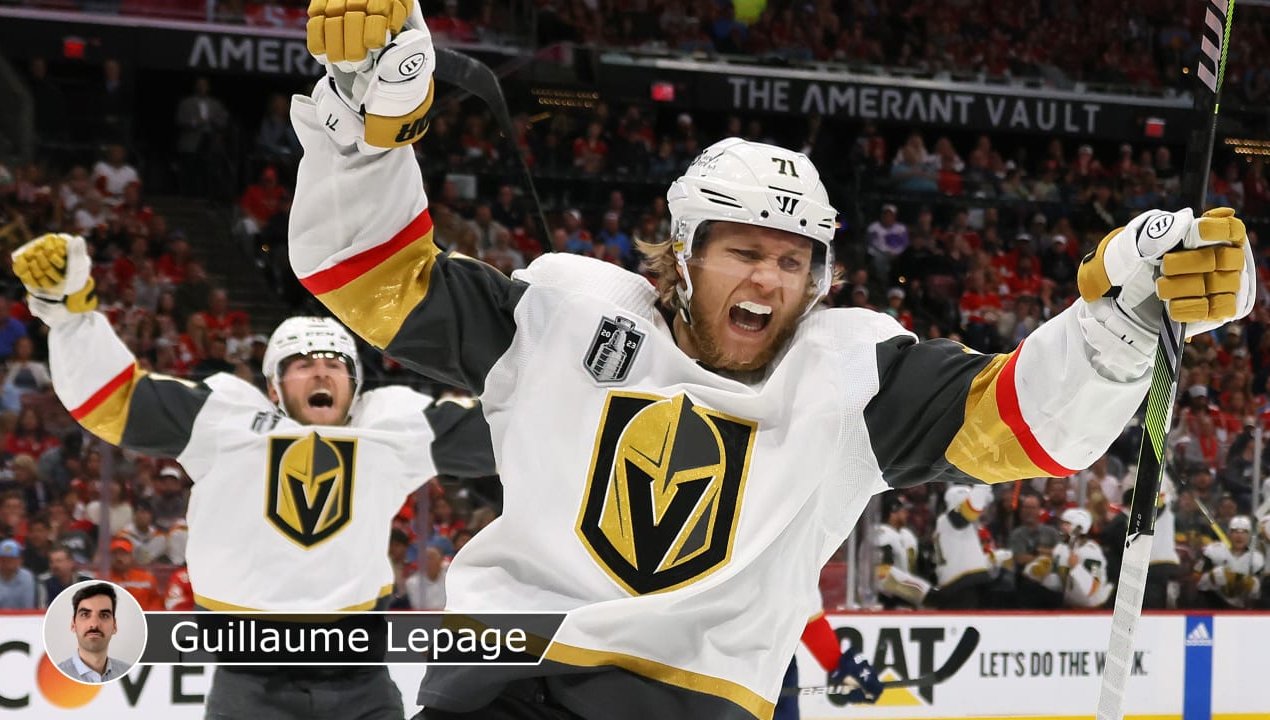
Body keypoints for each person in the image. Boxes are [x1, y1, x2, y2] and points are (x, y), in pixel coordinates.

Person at [286, 3, 1255, 716]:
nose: (768, 279)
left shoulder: (854, 375)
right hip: (502, 678)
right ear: (679, 255)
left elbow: (1028, 426)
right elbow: (362, 274)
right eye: (742, 251)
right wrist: (371, 120)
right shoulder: (566, 313)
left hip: (692, 700)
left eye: (792, 261)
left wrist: (1120, 319)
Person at [11, 233, 494, 720]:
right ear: (272, 385)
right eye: (303, 365)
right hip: (250, 683)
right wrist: (71, 316)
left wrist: (556, 371)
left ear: (357, 383)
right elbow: (112, 402)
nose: (322, 374)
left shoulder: (393, 423)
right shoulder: (225, 418)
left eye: (335, 364)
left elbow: (503, 434)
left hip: (360, 678)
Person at [55, 582, 135, 683]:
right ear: (73, 624)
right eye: (85, 614)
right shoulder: (55, 676)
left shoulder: (129, 673)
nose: (94, 624)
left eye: (104, 615)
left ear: (114, 625)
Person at [36, 545, 93, 609]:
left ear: (71, 562)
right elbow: (42, 610)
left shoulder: (86, 580)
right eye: (51, 562)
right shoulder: (44, 581)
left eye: (59, 561)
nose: (55, 565)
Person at [0, 538, 35, 609]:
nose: (6, 562)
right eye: (3, 558)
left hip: (20, 618)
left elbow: (28, 607)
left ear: (20, 560)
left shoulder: (27, 577)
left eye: (11, 558)